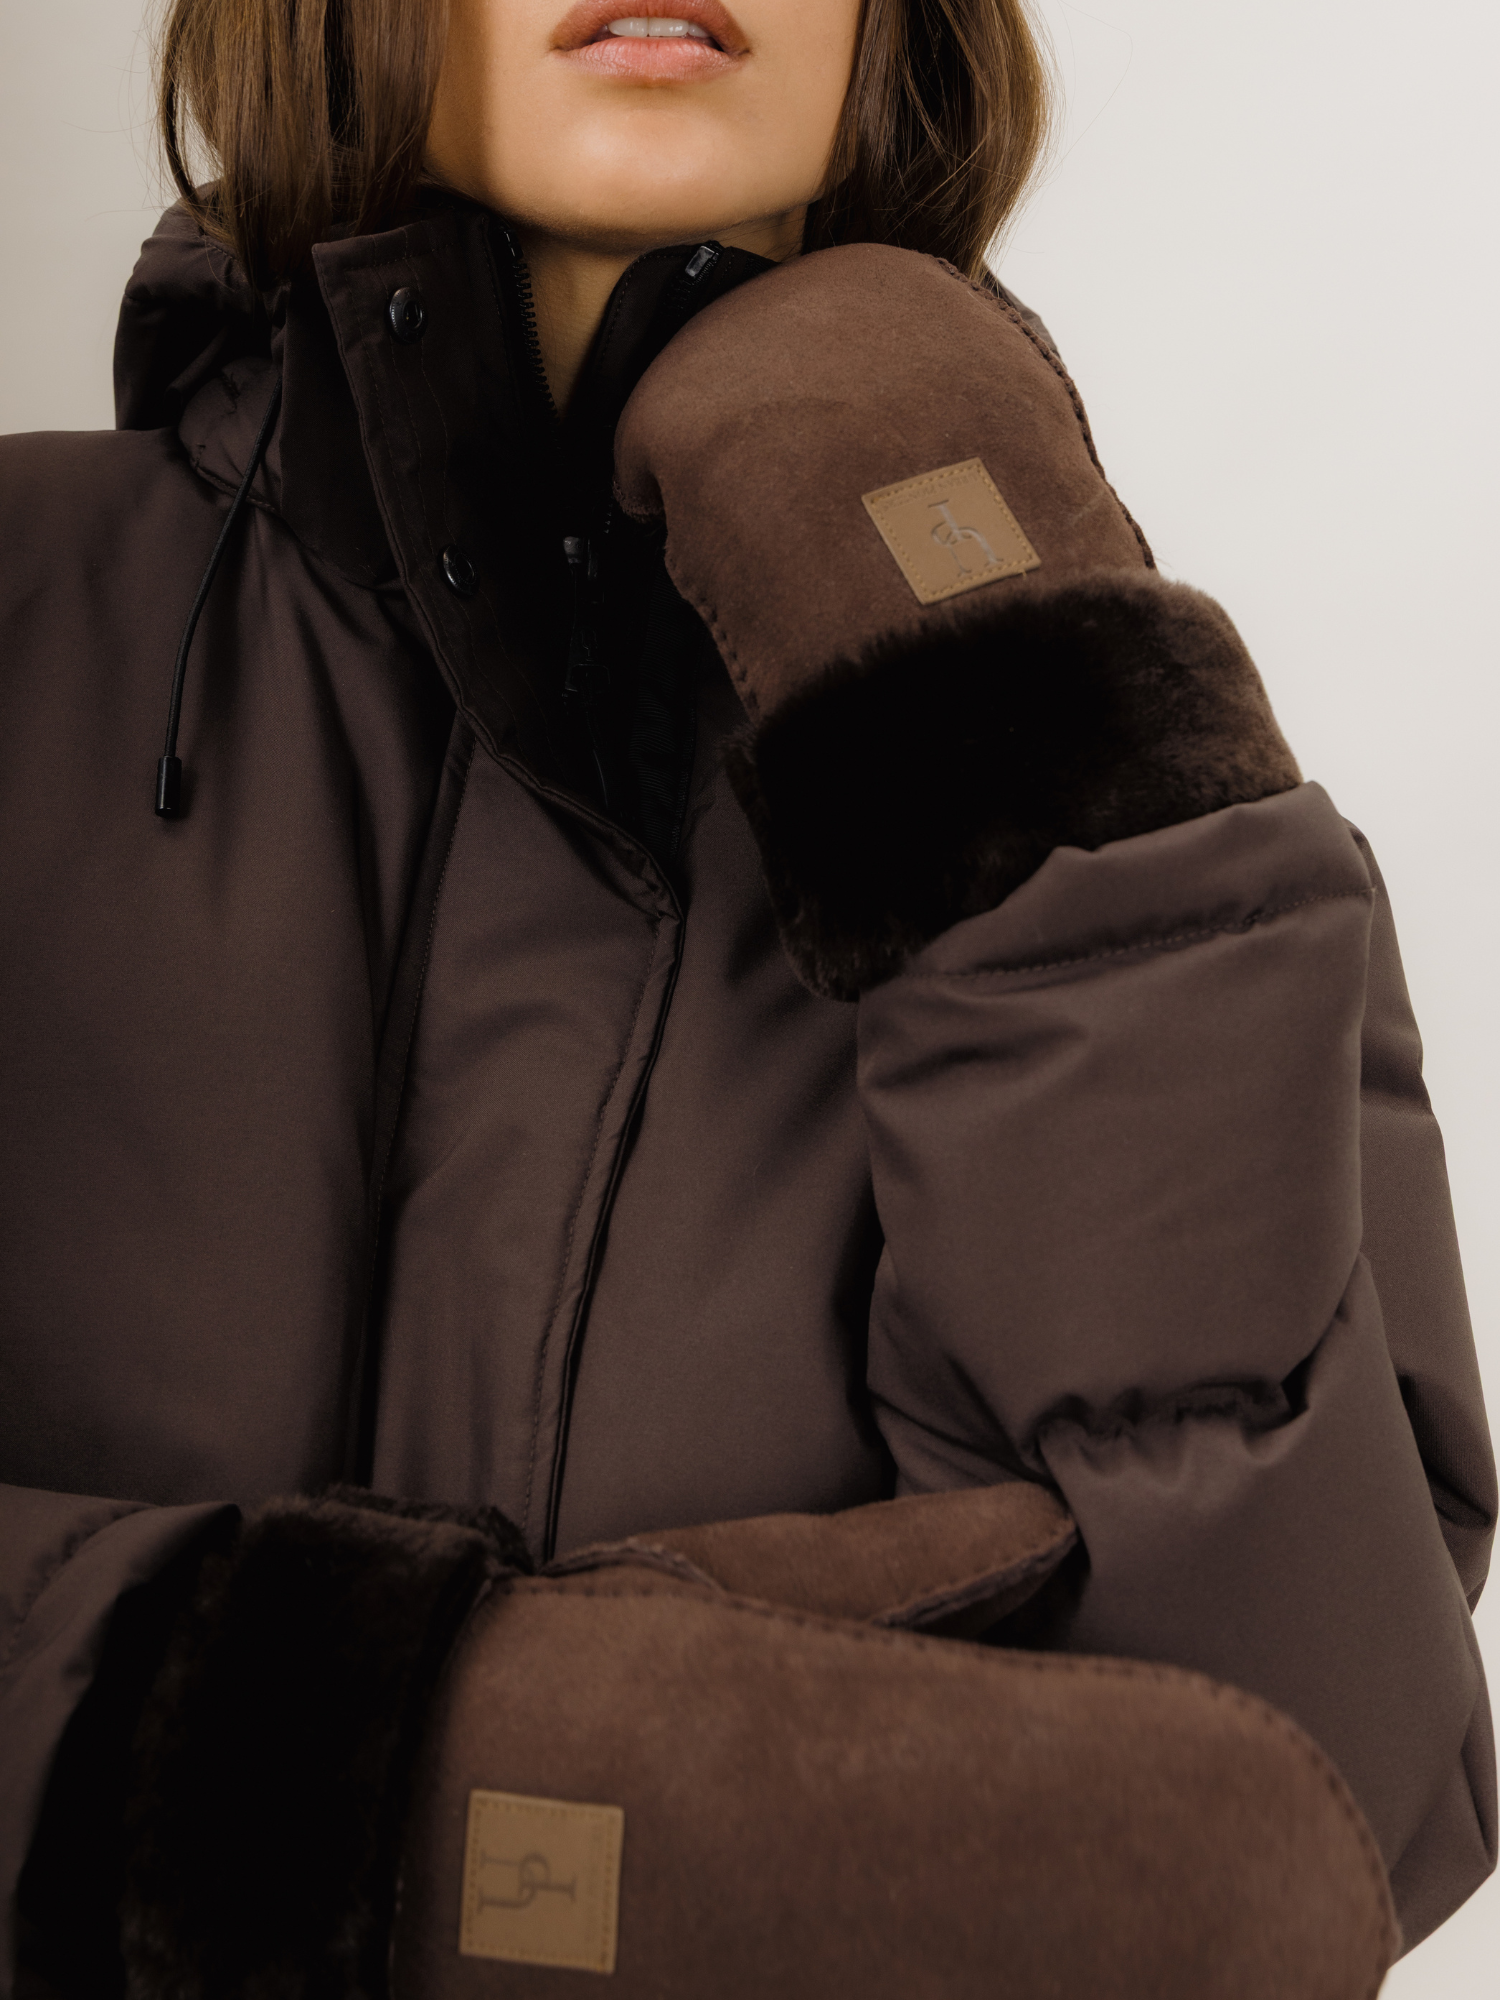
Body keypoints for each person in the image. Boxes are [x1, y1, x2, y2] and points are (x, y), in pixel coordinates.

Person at [0, 0, 1493, 1992]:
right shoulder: (27, 623)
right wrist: (356, 1773)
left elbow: (1317, 1817)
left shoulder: (1154, 805)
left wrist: (1003, 700)